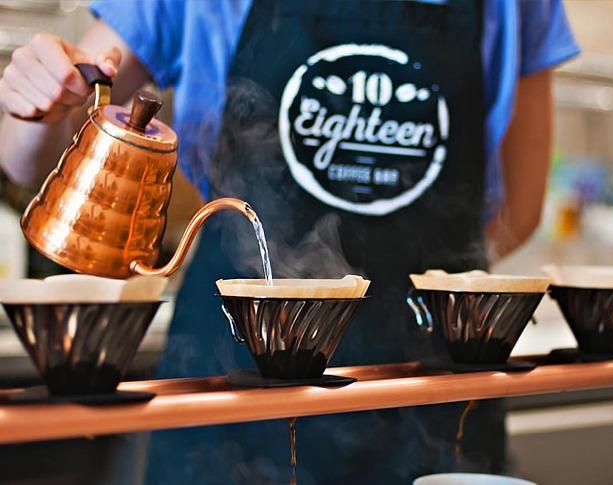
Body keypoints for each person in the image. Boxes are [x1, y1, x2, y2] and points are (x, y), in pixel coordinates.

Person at [0, 0, 579, 483]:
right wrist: (41, 95)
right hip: (232, 393)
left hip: (432, 402)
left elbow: (518, 210)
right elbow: (29, 157)